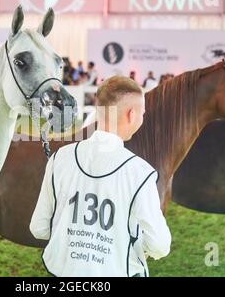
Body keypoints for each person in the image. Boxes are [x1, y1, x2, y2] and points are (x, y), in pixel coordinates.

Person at [30, 76, 171, 277]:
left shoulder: (59, 158)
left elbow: (39, 228)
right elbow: (160, 245)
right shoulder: (140, 173)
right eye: (142, 114)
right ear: (132, 115)